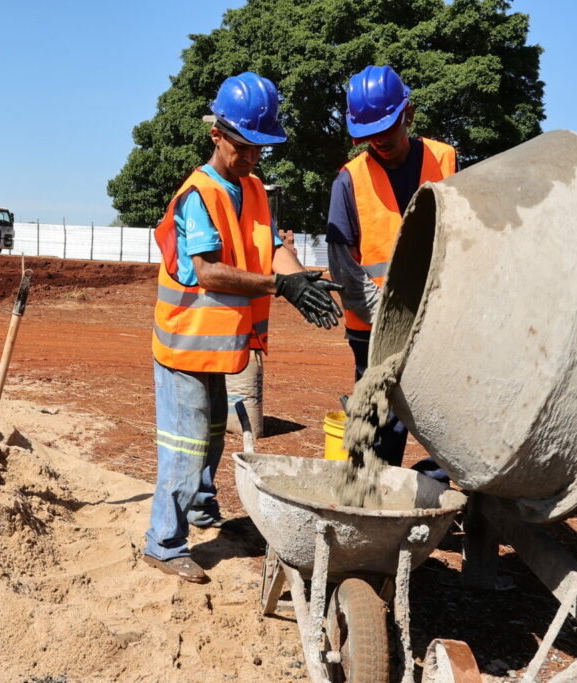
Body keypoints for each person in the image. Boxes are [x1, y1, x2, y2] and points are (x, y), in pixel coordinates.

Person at [143, 72, 344, 583]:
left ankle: (204, 513)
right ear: (218, 135)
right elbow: (208, 270)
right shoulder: (198, 195)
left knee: (211, 438)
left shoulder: (253, 189)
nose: (253, 157)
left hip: (219, 345)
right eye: (244, 146)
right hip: (184, 344)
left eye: (261, 148)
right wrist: (280, 287)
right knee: (185, 448)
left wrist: (299, 279)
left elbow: (273, 246)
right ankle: (163, 544)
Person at [326, 65, 457, 471]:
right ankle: (367, 494)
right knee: (377, 427)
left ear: (409, 115)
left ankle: (431, 480)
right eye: (370, 135)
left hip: (437, 323)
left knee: (448, 416)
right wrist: (394, 319)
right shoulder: (348, 181)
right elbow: (345, 269)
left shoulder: (445, 159)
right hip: (373, 332)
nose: (379, 142)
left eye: (387, 129)